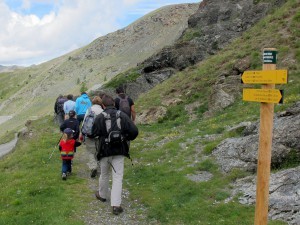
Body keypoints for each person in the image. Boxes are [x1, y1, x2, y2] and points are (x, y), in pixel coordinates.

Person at [92, 94, 138, 215]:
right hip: (119, 150)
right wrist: (125, 138)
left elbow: (93, 133)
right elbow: (134, 131)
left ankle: (102, 195)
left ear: (103, 105)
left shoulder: (99, 117)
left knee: (104, 173)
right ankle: (116, 205)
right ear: (114, 104)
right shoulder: (122, 115)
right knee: (118, 176)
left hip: (104, 150)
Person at [82, 96, 104, 178]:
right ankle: (99, 167)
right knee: (98, 151)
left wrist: (82, 133)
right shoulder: (102, 111)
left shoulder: (89, 110)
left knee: (90, 152)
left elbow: (84, 122)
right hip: (99, 135)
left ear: (93, 102)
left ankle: (93, 167)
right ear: (100, 103)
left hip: (89, 134)